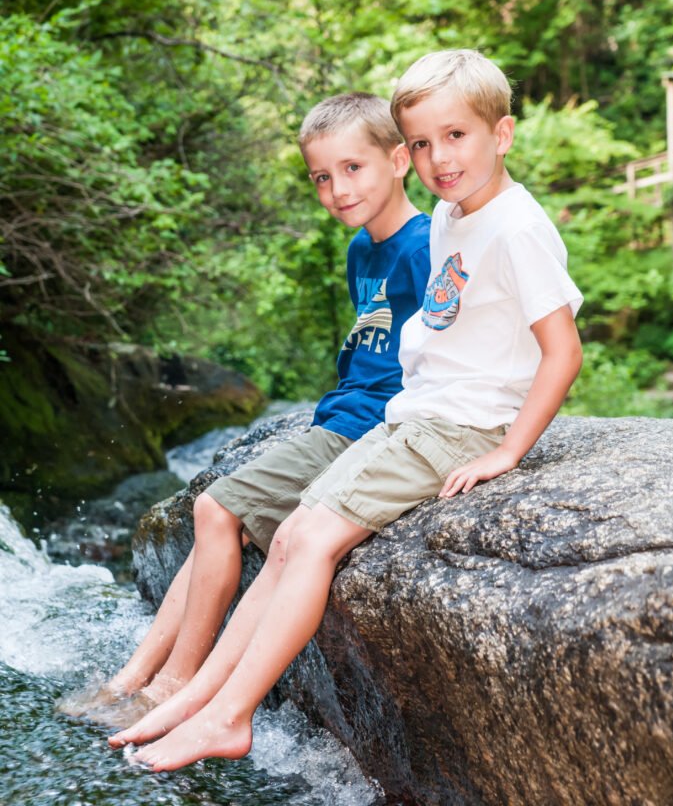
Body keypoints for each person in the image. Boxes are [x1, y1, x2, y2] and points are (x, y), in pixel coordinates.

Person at [110, 49, 583, 770]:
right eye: (422, 143)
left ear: (503, 133)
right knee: (292, 534)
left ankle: (229, 714)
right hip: (415, 417)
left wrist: (507, 451)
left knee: (311, 542)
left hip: (457, 426)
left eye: (455, 136)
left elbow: (563, 351)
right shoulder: (454, 215)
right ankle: (198, 697)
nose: (438, 158)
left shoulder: (515, 226)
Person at [67, 92, 429, 723]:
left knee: (214, 507)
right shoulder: (360, 250)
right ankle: (135, 673)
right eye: (322, 177)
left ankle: (173, 685)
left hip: (368, 430)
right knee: (219, 523)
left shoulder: (424, 245)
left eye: (353, 168)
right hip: (339, 417)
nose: (338, 189)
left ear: (399, 160)